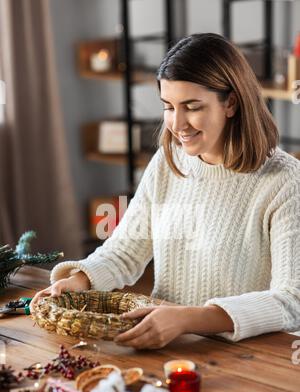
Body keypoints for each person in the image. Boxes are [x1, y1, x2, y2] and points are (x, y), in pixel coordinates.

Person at [30, 33, 300, 349]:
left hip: (246, 357)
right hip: (165, 347)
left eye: (192, 106)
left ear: (231, 102)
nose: (177, 124)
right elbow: (125, 251)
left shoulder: (284, 182)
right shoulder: (169, 160)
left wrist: (186, 318)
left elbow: (290, 300)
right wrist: (77, 283)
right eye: (169, 107)